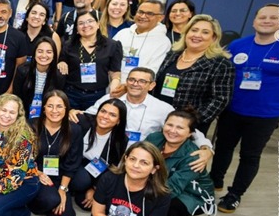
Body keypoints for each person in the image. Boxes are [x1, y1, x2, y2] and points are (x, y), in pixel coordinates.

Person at [211, 4, 279, 213]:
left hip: (266, 113)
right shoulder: (238, 45)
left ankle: (234, 194)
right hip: (233, 108)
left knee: (250, 155)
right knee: (222, 147)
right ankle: (214, 181)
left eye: (273, 18)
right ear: (254, 21)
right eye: (262, 17)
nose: (266, 21)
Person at [73, 67, 215, 166]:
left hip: (140, 161)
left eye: (142, 81)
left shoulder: (162, 108)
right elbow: (89, 115)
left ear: (152, 85)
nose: (135, 84)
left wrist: (206, 148)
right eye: (132, 80)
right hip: (108, 156)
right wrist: (72, 112)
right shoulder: (110, 99)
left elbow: (186, 129)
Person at [154, 14, 235, 134]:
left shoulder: (221, 64)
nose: (197, 35)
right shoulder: (172, 54)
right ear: (186, 33)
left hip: (189, 128)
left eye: (205, 32)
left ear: (214, 38)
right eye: (194, 30)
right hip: (158, 119)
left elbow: (220, 100)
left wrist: (192, 122)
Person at [145, 110, 215, 216]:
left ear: (190, 133)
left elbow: (173, 188)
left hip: (191, 193)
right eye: (169, 125)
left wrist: (141, 199)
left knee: (168, 205)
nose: (172, 131)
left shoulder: (193, 156)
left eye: (180, 127)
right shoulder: (154, 138)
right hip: (160, 183)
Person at [28, 90, 82, 216]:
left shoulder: (74, 130)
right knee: (51, 200)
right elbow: (22, 157)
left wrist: (63, 189)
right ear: (44, 108)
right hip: (35, 174)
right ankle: (30, 202)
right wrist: (37, 173)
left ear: (66, 109)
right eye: (50, 106)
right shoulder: (31, 126)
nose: (54, 110)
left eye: (59, 106)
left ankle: (49, 199)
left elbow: (72, 162)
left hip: (59, 176)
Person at [69, 99, 128, 210]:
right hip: (73, 162)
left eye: (112, 115)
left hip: (95, 170)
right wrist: (70, 111)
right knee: (81, 181)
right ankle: (70, 188)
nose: (105, 116)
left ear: (119, 121)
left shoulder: (120, 139)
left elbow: (111, 167)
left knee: (86, 205)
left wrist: (94, 189)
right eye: (103, 111)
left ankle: (82, 189)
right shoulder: (82, 121)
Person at [59, 11, 123, 110]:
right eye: (81, 23)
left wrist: (115, 83)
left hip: (97, 95)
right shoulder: (68, 45)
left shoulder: (112, 45)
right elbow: (61, 60)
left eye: (90, 21)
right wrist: (61, 62)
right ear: (76, 28)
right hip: (71, 94)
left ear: (98, 24)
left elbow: (115, 71)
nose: (86, 25)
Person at [112, 0, 171, 85]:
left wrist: (126, 86)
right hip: (112, 83)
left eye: (149, 14)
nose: (143, 16)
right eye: (140, 12)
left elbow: (152, 71)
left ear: (160, 18)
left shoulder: (163, 42)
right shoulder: (123, 33)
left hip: (136, 89)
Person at [11, 37, 66, 119]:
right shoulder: (22, 70)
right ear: (34, 53)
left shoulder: (59, 76)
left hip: (48, 115)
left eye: (49, 52)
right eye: (40, 51)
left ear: (54, 55)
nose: (44, 55)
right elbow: (17, 97)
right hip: (24, 113)